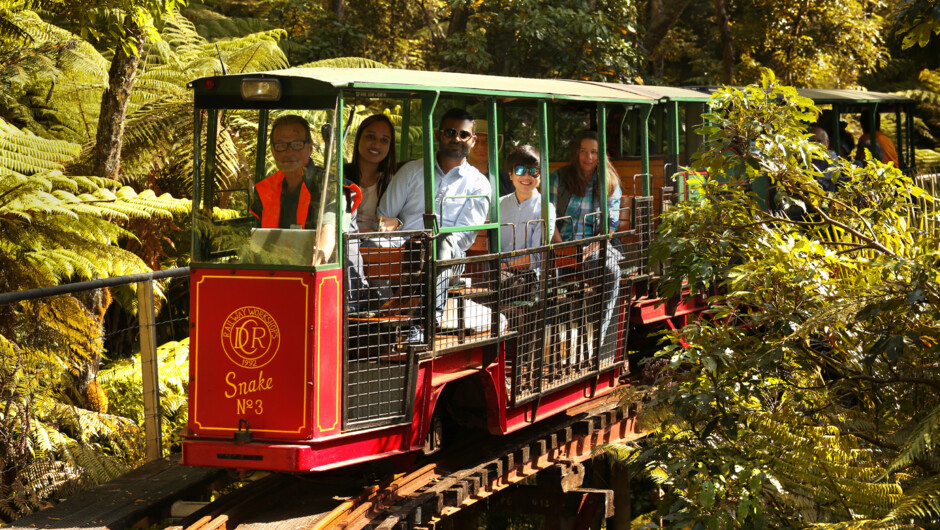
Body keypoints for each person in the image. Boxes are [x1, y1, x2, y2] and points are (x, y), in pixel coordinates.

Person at [377, 108, 492, 340]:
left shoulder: (478, 184)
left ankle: (423, 323)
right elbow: (384, 216)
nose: (456, 139)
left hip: (450, 259)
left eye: (463, 134)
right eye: (450, 132)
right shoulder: (412, 171)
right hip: (405, 250)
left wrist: (430, 242)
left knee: (440, 241)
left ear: (473, 140)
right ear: (439, 135)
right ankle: (368, 318)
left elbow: (465, 236)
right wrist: (400, 227)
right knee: (370, 242)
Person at [549, 130, 622, 347]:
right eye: (584, 151)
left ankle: (599, 340)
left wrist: (594, 246)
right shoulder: (558, 178)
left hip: (595, 246)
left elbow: (611, 224)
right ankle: (546, 341)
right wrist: (561, 246)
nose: (588, 157)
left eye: (594, 152)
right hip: (561, 244)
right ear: (576, 153)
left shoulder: (609, 182)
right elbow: (548, 214)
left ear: (602, 156)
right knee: (542, 277)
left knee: (611, 271)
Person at [250, 114, 344, 265]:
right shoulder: (267, 189)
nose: (288, 152)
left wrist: (318, 257)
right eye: (281, 145)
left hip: (324, 276)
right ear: (273, 150)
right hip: (273, 273)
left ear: (310, 147)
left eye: (297, 144)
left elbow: (329, 230)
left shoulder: (328, 185)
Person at [499, 144, 555, 273]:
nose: (526, 176)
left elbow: (537, 256)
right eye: (519, 170)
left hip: (528, 277)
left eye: (533, 171)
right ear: (510, 174)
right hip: (495, 274)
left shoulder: (545, 208)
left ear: (540, 177)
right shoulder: (498, 205)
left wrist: (502, 267)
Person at [345, 114, 396, 232]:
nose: (376, 145)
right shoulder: (340, 175)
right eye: (371, 136)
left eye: (384, 140)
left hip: (375, 247)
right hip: (342, 245)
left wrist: (396, 222)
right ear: (359, 138)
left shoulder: (392, 181)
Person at [468, 119, 513, 196]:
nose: (481, 146)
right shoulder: (455, 175)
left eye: (487, 141)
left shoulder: (504, 178)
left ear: (494, 146)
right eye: (476, 141)